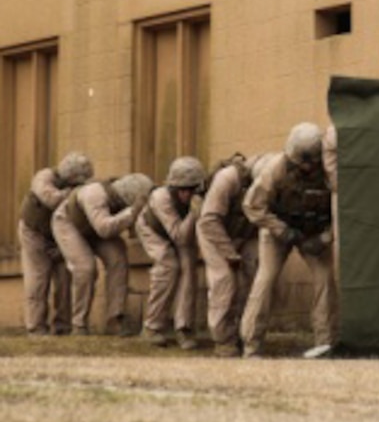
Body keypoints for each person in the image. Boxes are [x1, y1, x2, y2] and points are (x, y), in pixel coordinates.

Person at [241, 122, 337, 358]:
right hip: (277, 231)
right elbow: (252, 206)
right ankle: (251, 346)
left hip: (315, 233)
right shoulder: (276, 168)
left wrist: (325, 239)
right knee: (265, 280)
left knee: (325, 279)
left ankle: (325, 344)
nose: (299, 166)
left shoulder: (331, 173)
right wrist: (282, 231)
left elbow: (344, 213)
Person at [52, 173, 153, 335]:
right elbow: (104, 229)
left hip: (93, 228)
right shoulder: (95, 194)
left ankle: (115, 318)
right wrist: (131, 212)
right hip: (68, 223)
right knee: (85, 268)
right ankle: (79, 324)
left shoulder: (121, 201)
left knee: (118, 257)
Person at [196, 152, 271, 357]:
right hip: (214, 231)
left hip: (245, 232)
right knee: (224, 281)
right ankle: (223, 340)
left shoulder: (273, 179)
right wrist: (230, 253)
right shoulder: (228, 178)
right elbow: (209, 220)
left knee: (257, 275)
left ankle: (247, 333)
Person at [19, 152, 95, 335]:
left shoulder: (77, 187)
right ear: (70, 176)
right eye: (78, 181)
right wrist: (72, 195)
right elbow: (51, 199)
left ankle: (63, 326)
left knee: (65, 280)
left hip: (61, 236)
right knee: (37, 280)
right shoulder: (44, 177)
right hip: (33, 233)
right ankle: (36, 328)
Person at [136, 157, 205, 349]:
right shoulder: (161, 198)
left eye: (191, 189)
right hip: (154, 230)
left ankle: (184, 328)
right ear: (173, 188)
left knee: (189, 270)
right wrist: (193, 213)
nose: (187, 194)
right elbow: (179, 236)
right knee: (168, 266)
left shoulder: (201, 195)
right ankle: (152, 327)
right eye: (182, 189)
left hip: (182, 231)